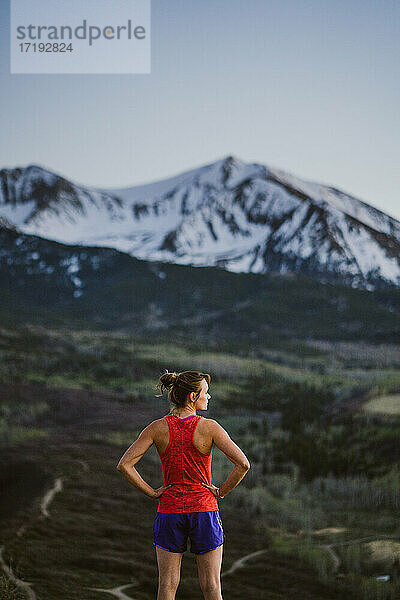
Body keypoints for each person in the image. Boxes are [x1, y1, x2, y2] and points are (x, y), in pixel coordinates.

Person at [116, 370, 250, 600]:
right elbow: (243, 464)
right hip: (204, 510)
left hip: (170, 511)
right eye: (205, 393)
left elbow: (124, 465)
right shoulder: (210, 428)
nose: (209, 397)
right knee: (211, 587)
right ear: (191, 397)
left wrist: (153, 492)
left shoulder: (157, 428)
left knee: (167, 585)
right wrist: (221, 491)